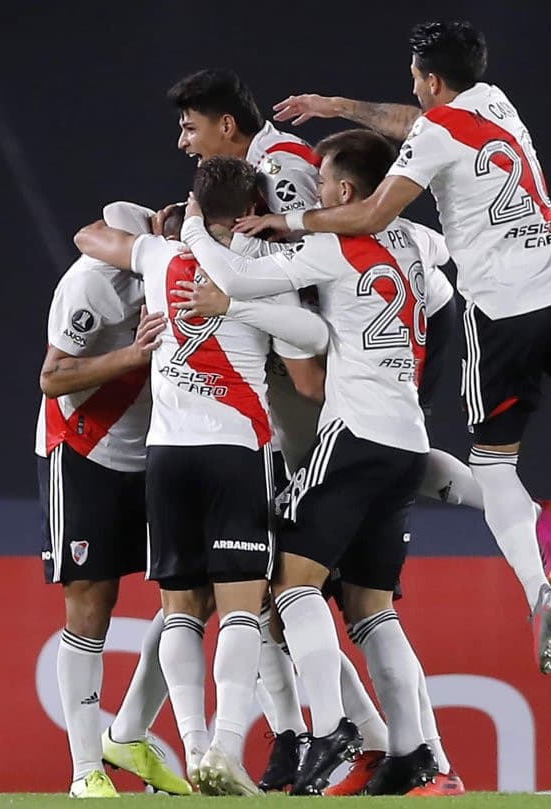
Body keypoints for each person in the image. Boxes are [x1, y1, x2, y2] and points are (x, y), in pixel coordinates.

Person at [240, 20, 551, 676]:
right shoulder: (494, 102)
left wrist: (288, 219)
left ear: (433, 79)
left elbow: (373, 213)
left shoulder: (434, 134)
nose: (414, 89)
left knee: (494, 465)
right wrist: (340, 107)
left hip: (502, 312)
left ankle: (538, 589)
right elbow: (414, 123)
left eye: (417, 78)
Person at [178, 129, 449, 795]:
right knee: (371, 606)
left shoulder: (332, 247)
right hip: (407, 439)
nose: (313, 196)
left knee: (291, 585)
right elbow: (443, 287)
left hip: (352, 434)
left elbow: (235, 278)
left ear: (348, 191)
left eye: (323, 184)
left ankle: (329, 727)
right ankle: (413, 753)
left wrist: (194, 228)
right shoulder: (418, 243)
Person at [73, 156, 328, 796]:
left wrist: (173, 229)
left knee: (180, 610)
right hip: (234, 451)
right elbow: (310, 351)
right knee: (242, 607)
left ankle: (190, 745)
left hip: (167, 455)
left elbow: (90, 237)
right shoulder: (263, 271)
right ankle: (225, 747)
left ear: (194, 203)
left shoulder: (158, 258)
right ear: (252, 210)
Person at [36, 234, 189, 797]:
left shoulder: (208, 274)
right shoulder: (94, 282)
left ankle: (126, 733)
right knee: (91, 604)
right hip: (87, 451)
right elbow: (52, 377)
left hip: (162, 449)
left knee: (194, 594)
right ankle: (85, 772)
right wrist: (132, 354)